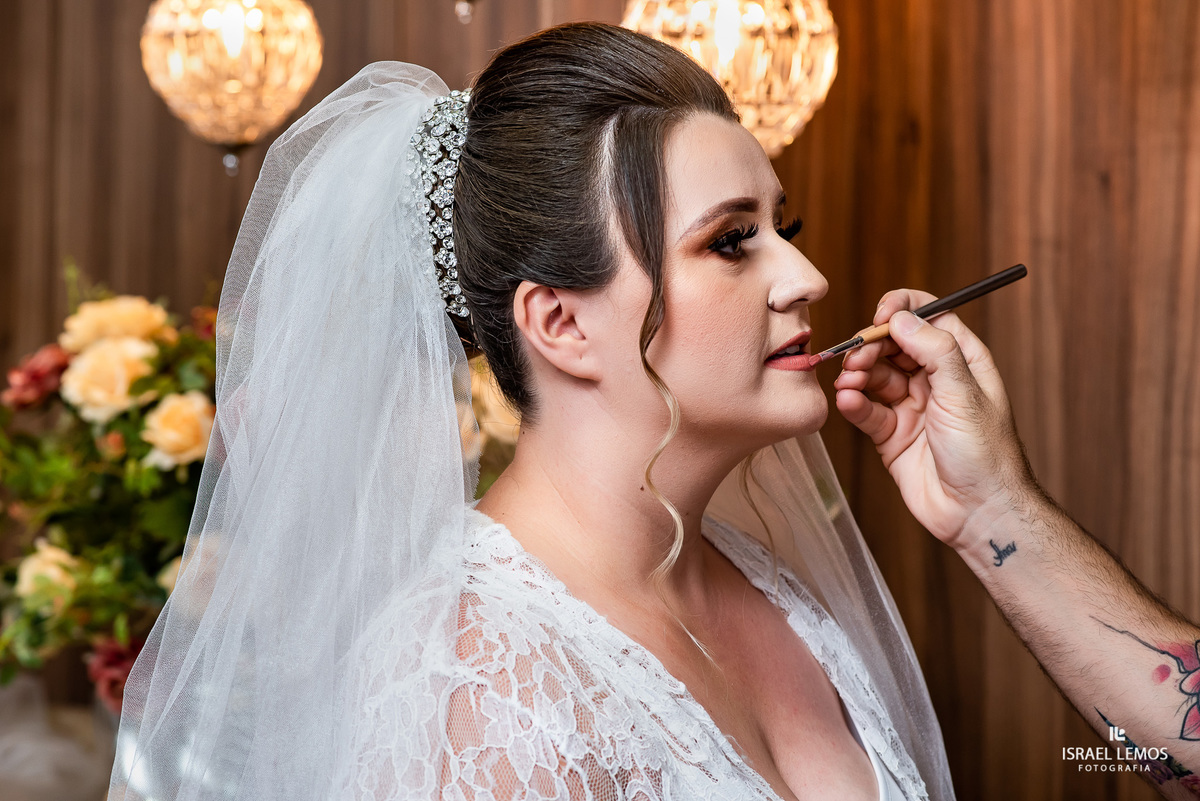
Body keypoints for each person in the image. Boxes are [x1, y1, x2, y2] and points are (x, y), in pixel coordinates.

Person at [105, 20, 1197, 801]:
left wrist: (993, 508)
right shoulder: (477, 679)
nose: (806, 276)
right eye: (733, 240)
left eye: (783, 224)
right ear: (560, 325)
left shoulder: (775, 591)